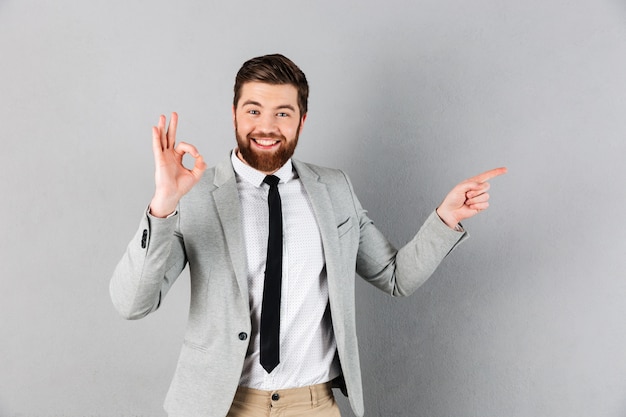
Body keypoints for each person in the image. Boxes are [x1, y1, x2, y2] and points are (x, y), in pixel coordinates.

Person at [110, 53, 506, 417]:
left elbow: (395, 277)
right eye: (254, 110)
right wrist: (163, 204)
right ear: (234, 114)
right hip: (220, 404)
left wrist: (445, 218)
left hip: (312, 404)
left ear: (302, 119)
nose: (267, 126)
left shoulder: (334, 189)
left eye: (283, 113)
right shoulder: (194, 195)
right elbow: (132, 303)